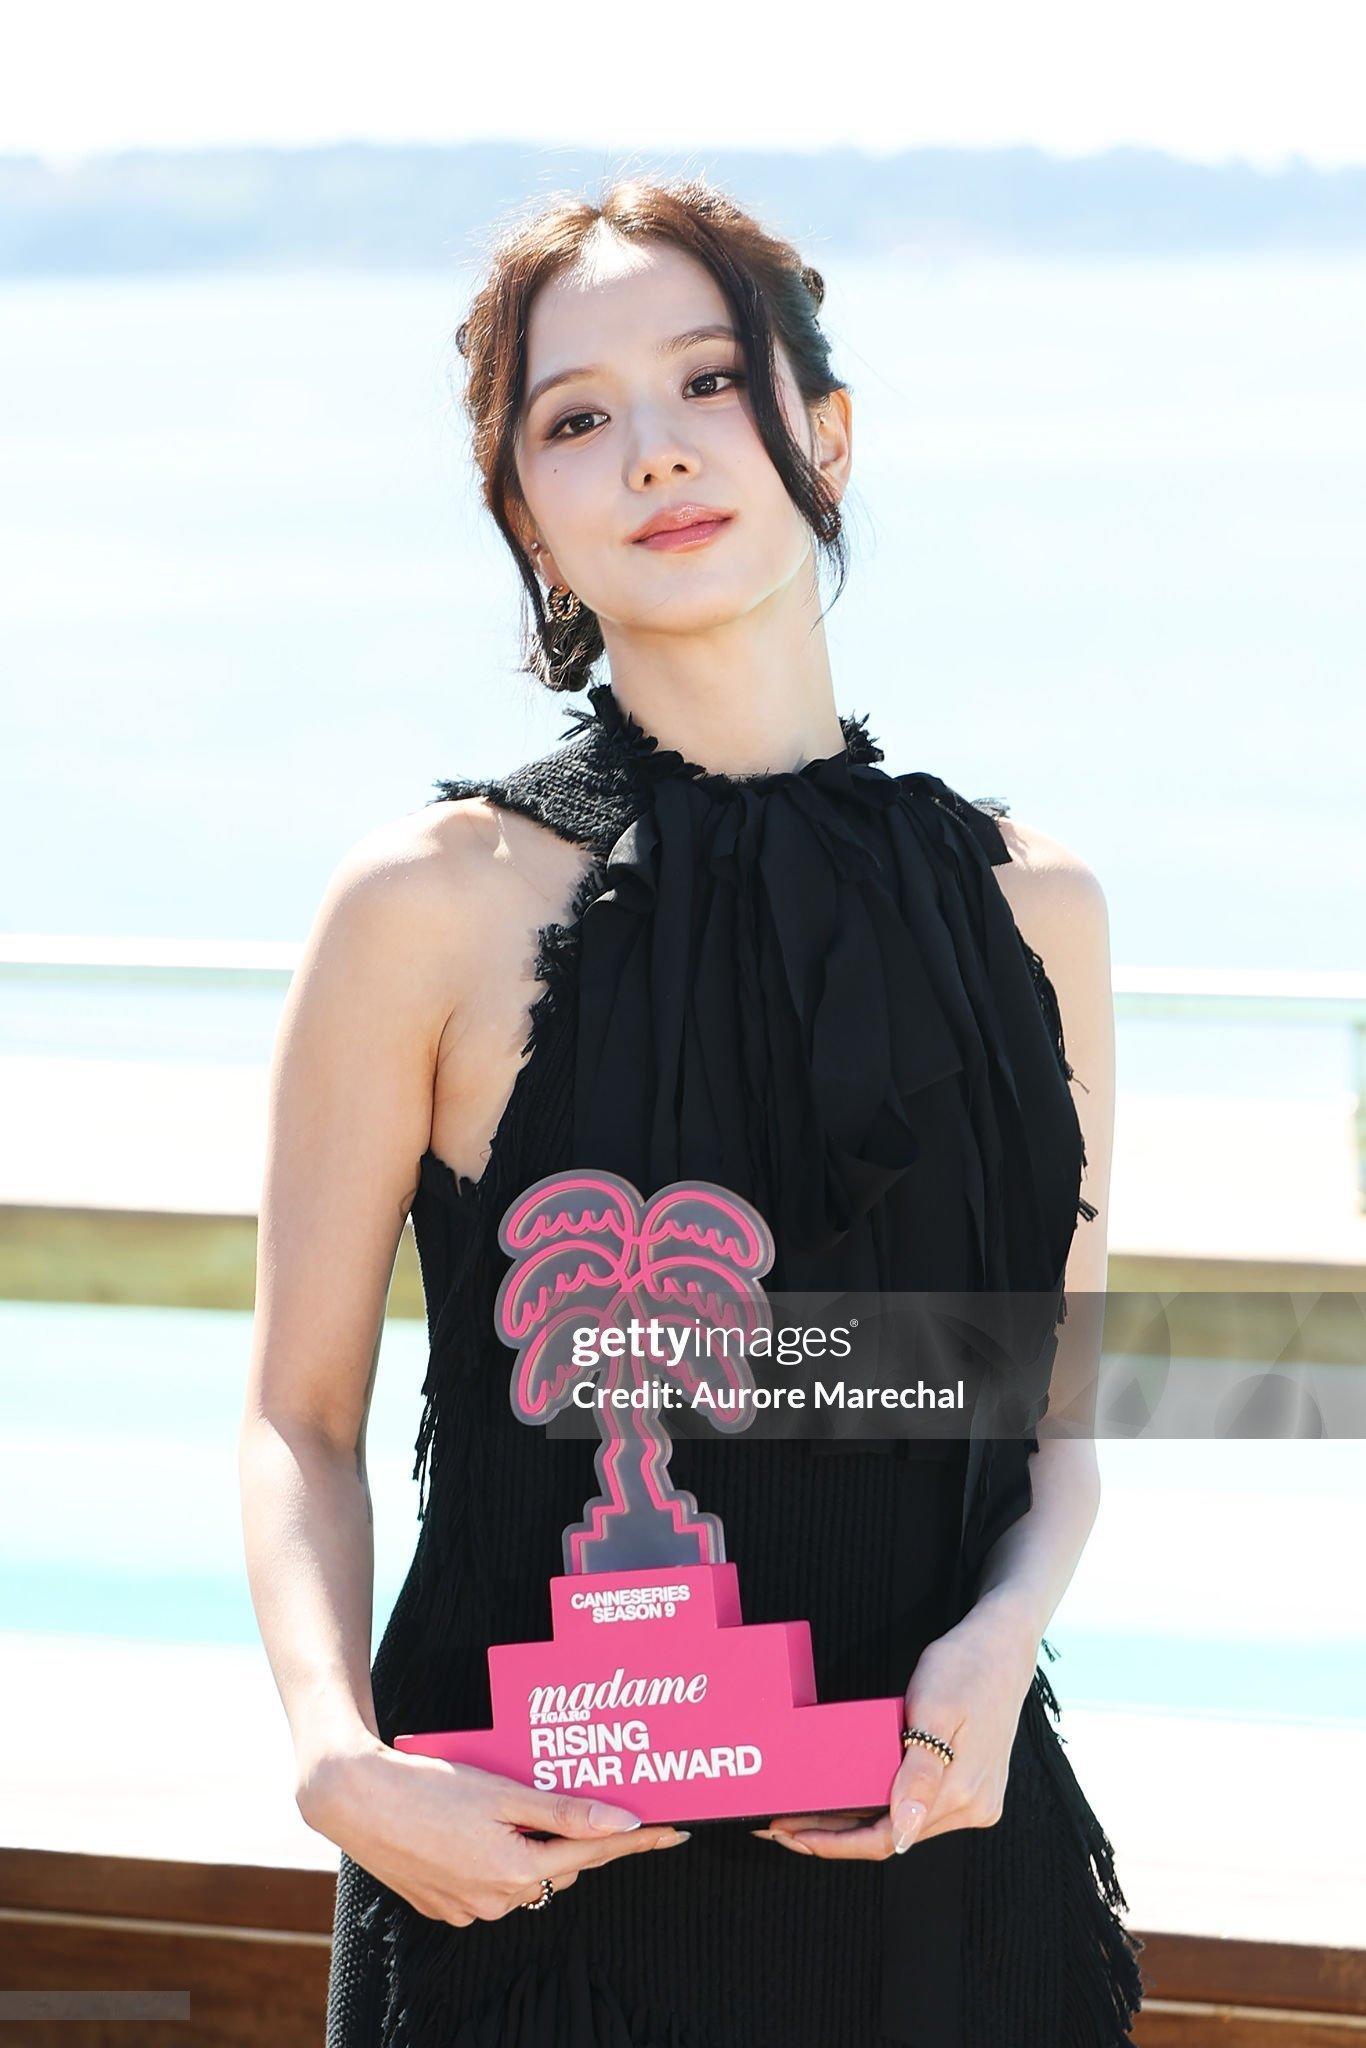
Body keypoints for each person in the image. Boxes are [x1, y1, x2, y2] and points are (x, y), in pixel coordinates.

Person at [239, 174, 1147, 2046]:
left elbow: (1043, 1404)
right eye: (574, 420)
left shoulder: (1036, 905)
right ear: (529, 521)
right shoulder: (427, 905)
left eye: (710, 381)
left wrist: (1001, 1649)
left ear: (828, 435)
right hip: (522, 1877)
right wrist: (338, 1758)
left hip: (939, 1857)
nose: (654, 450)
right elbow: (296, 1418)